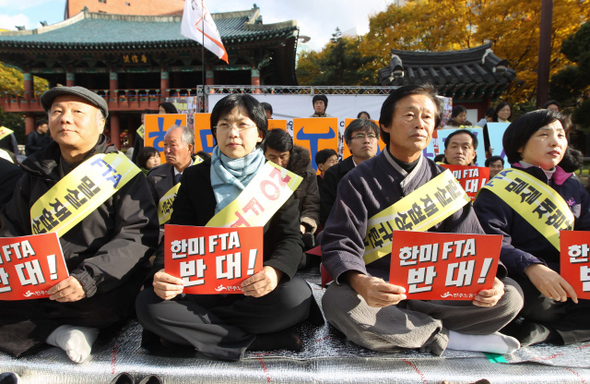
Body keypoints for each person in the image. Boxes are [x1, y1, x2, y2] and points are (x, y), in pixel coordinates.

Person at [321, 84, 523, 356]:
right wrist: (361, 282)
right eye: (409, 115)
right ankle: (451, 338)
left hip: (440, 292)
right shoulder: (357, 181)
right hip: (380, 295)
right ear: (386, 126)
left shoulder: (443, 181)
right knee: (337, 301)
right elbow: (341, 242)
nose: (419, 124)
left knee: (510, 296)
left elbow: (473, 240)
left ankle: (414, 331)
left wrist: (490, 280)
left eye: (427, 117)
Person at [136, 93, 315, 361]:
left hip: (255, 290)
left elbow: (290, 239)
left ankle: (197, 334)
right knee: (149, 304)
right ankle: (255, 341)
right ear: (214, 132)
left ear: (259, 134)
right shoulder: (196, 176)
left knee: (296, 297)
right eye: (224, 124)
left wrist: (274, 273)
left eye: (243, 125)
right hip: (200, 289)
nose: (233, 132)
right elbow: (176, 233)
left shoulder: (275, 180)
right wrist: (163, 273)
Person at [0, 86, 159, 364]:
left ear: (101, 124)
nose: (65, 119)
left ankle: (70, 327)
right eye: (57, 112)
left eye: (77, 112)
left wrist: (87, 278)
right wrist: (18, 275)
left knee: (111, 306)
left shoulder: (123, 175)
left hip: (96, 285)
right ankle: (58, 333)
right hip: (40, 284)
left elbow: (137, 236)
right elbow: (11, 229)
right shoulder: (33, 174)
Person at [474, 109, 590, 347]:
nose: (555, 141)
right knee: (533, 302)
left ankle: (545, 333)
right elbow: (493, 242)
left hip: (572, 275)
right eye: (544, 134)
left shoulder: (573, 186)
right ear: (519, 144)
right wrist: (532, 266)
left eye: (560, 134)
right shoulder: (500, 188)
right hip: (524, 276)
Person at [320, 118, 379, 226]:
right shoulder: (334, 174)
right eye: (360, 136)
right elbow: (327, 212)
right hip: (346, 231)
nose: (366, 140)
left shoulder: (388, 170)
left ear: (377, 142)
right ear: (349, 144)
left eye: (371, 136)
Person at [263, 129, 320, 237]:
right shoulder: (253, 170)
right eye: (272, 157)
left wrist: (304, 225)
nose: (278, 163)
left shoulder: (306, 173)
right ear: (264, 153)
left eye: (283, 156)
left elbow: (312, 206)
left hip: (294, 231)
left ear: (291, 153)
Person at [147, 126, 195, 227]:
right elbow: (147, 212)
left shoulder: (207, 173)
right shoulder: (155, 176)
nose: (167, 150)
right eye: (165, 145)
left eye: (173, 145)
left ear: (189, 148)